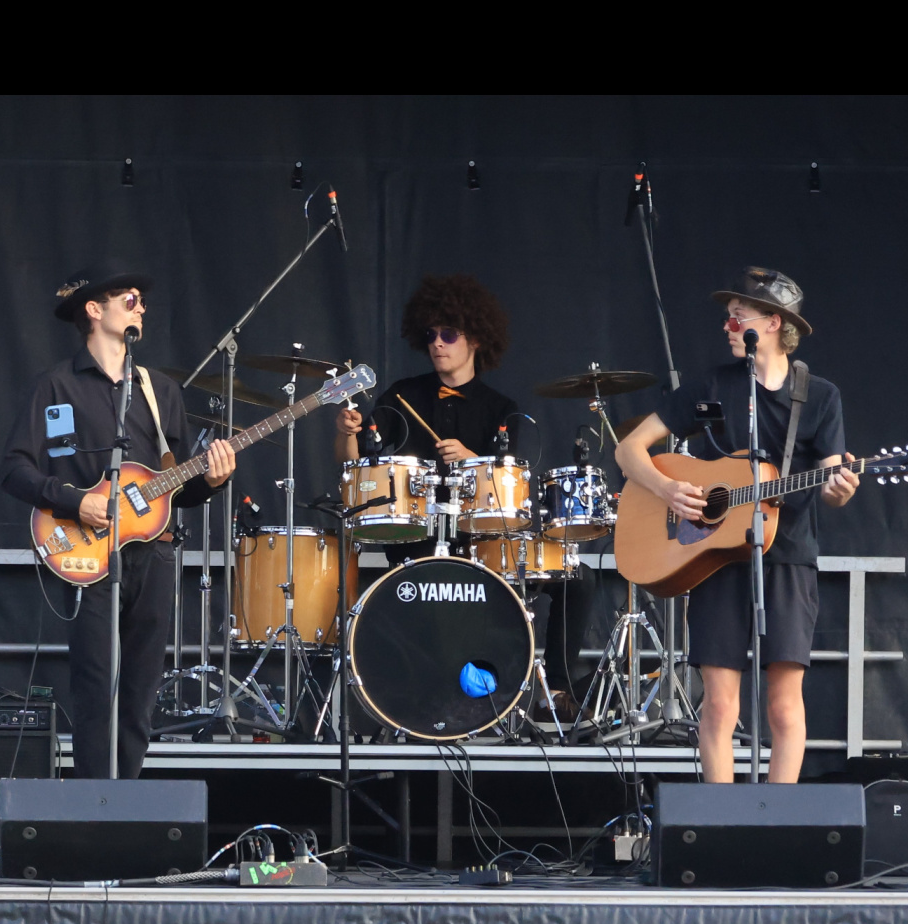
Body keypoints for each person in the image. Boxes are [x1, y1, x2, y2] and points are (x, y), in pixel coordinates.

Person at [615, 267, 858, 783]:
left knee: (784, 707)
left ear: (772, 323)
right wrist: (667, 489)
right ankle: (721, 825)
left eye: (738, 316)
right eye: (729, 316)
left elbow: (832, 480)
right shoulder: (713, 383)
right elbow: (628, 448)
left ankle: (779, 827)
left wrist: (840, 487)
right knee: (721, 707)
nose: (727, 324)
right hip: (715, 554)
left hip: (788, 554)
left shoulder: (820, 396)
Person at [0, 263, 235, 778]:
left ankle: (124, 800)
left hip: (152, 554)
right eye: (130, 298)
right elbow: (14, 469)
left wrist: (212, 480)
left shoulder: (161, 392)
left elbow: (176, 489)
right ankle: (92, 805)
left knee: (140, 686)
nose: (142, 306)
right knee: (95, 681)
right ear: (94, 309)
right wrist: (70, 500)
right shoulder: (55, 387)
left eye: (142, 300)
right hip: (87, 551)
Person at [335, 273, 595, 717]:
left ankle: (558, 690)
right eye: (432, 334)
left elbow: (510, 489)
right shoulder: (402, 396)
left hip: (483, 543)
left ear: (474, 338)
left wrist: (474, 458)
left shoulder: (501, 409)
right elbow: (357, 469)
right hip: (416, 542)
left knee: (581, 579)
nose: (438, 343)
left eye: (449, 334)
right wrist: (346, 435)